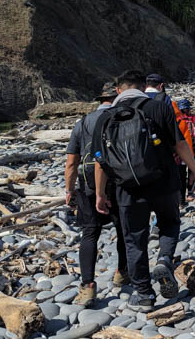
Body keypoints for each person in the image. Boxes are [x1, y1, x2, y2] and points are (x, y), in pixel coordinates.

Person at [93, 70, 195, 312]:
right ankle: (164, 258)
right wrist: (194, 171)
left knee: (134, 240)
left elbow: (99, 162)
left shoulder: (104, 117)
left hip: (127, 190)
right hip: (164, 182)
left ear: (118, 90)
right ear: (143, 88)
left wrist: (100, 194)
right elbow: (180, 143)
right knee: (170, 223)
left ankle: (144, 294)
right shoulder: (159, 107)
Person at [65, 81, 129, 307]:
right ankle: (122, 272)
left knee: (90, 233)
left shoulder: (83, 122)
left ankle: (88, 286)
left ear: (100, 100)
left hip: (87, 183)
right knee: (123, 229)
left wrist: (69, 189)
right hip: (119, 181)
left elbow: (72, 161)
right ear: (117, 97)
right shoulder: (124, 117)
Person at [173, 98, 195, 204]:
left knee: (179, 176)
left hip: (175, 154)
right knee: (191, 171)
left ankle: (179, 200)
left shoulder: (171, 121)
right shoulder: (189, 120)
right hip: (191, 149)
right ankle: (189, 193)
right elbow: (191, 137)